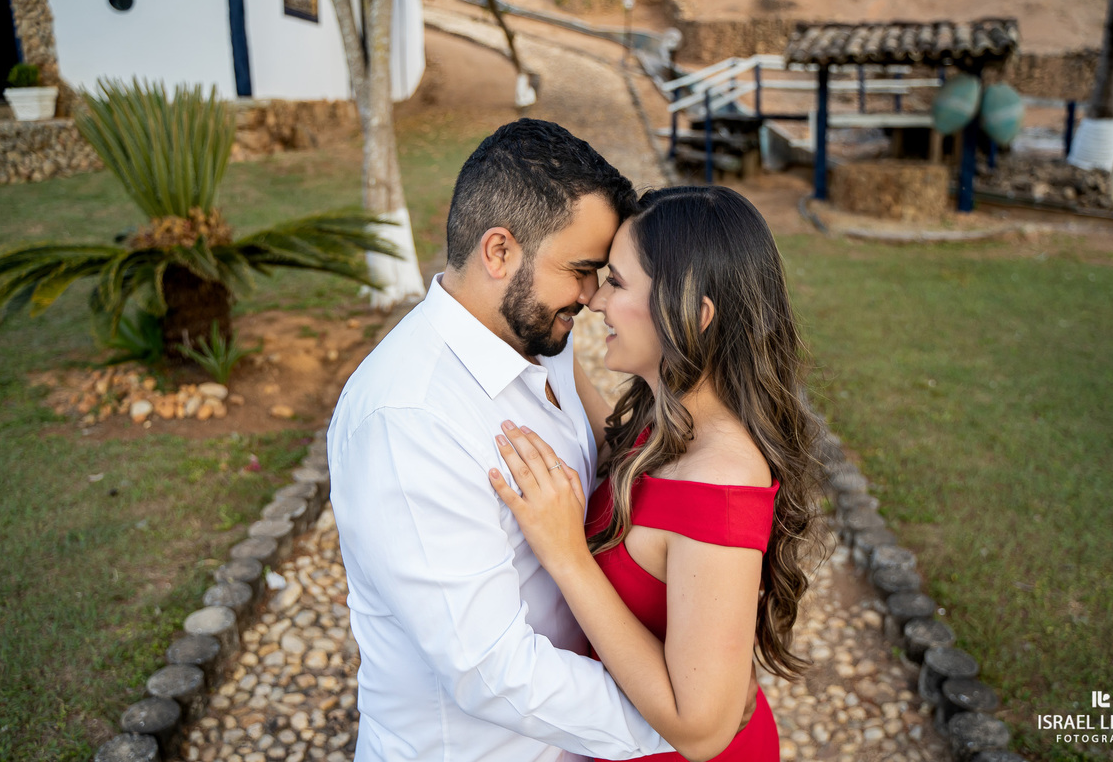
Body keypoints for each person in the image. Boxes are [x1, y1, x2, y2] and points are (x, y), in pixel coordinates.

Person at [328, 118, 677, 762]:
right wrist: (674, 718)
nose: (593, 296)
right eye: (580, 269)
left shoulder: (538, 340)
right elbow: (489, 671)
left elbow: (609, 456)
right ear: (498, 252)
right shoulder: (409, 419)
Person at [489, 185, 827, 762]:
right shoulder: (671, 415)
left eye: (616, 282)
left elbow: (702, 731)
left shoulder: (718, 483)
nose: (594, 301)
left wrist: (567, 555)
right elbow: (599, 430)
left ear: (693, 317)